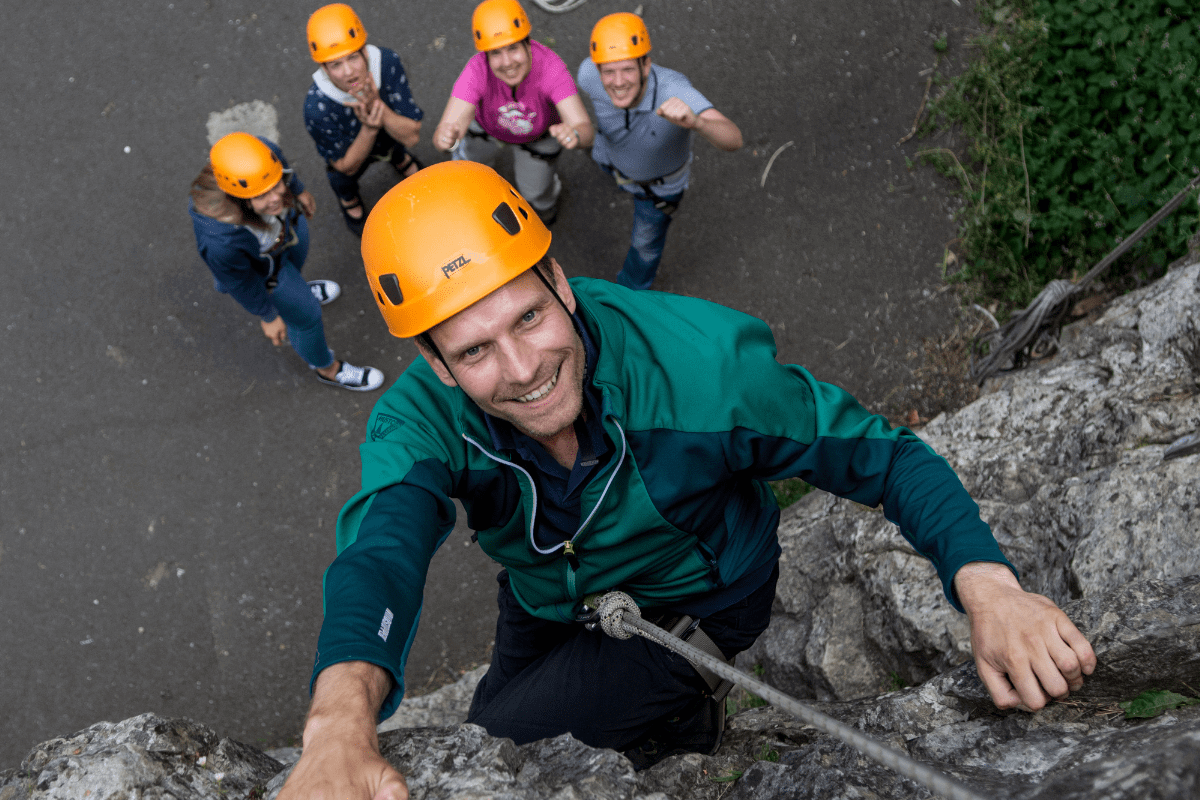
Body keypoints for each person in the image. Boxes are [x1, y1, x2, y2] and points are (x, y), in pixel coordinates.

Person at [277, 162, 1096, 799]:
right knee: (492, 719)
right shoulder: (421, 417)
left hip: (691, 598)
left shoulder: (703, 375)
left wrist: (988, 588)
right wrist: (340, 719)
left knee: (502, 737)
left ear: (561, 282)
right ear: (435, 364)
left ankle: (683, 712)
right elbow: (382, 550)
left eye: (528, 317)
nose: (524, 371)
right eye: (475, 350)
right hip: (544, 592)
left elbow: (880, 453)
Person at [189, 132, 384, 392]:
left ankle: (299, 291)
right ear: (235, 199)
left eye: (276, 185)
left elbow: (277, 161)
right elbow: (240, 282)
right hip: (265, 272)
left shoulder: (260, 157)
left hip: (284, 235)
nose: (275, 199)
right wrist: (267, 315)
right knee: (307, 317)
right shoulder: (221, 242)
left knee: (295, 269)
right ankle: (326, 368)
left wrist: (298, 190)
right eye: (260, 196)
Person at [576, 13, 744, 290]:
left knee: (645, 247)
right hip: (609, 155)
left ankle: (631, 295)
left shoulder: (674, 91)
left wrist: (698, 123)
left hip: (656, 190)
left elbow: (733, 139)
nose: (617, 82)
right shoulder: (587, 74)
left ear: (646, 66)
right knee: (605, 163)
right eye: (608, 71)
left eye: (627, 69)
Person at [431, 0, 593, 224]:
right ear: (485, 56)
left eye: (513, 48)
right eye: (496, 53)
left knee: (536, 194)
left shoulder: (550, 68)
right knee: (470, 169)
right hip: (486, 128)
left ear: (528, 44)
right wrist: (446, 138)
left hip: (538, 137)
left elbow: (584, 128)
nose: (507, 62)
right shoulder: (477, 68)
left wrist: (574, 135)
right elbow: (447, 128)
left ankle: (545, 204)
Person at [303, 3, 424, 235]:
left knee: (396, 147)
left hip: (389, 138)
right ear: (324, 70)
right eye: (336, 65)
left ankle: (399, 160)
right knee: (343, 180)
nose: (349, 72)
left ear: (365, 52)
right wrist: (369, 129)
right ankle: (349, 199)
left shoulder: (387, 63)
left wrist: (378, 108)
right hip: (351, 150)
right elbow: (345, 166)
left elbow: (412, 136)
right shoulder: (317, 107)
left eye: (353, 58)